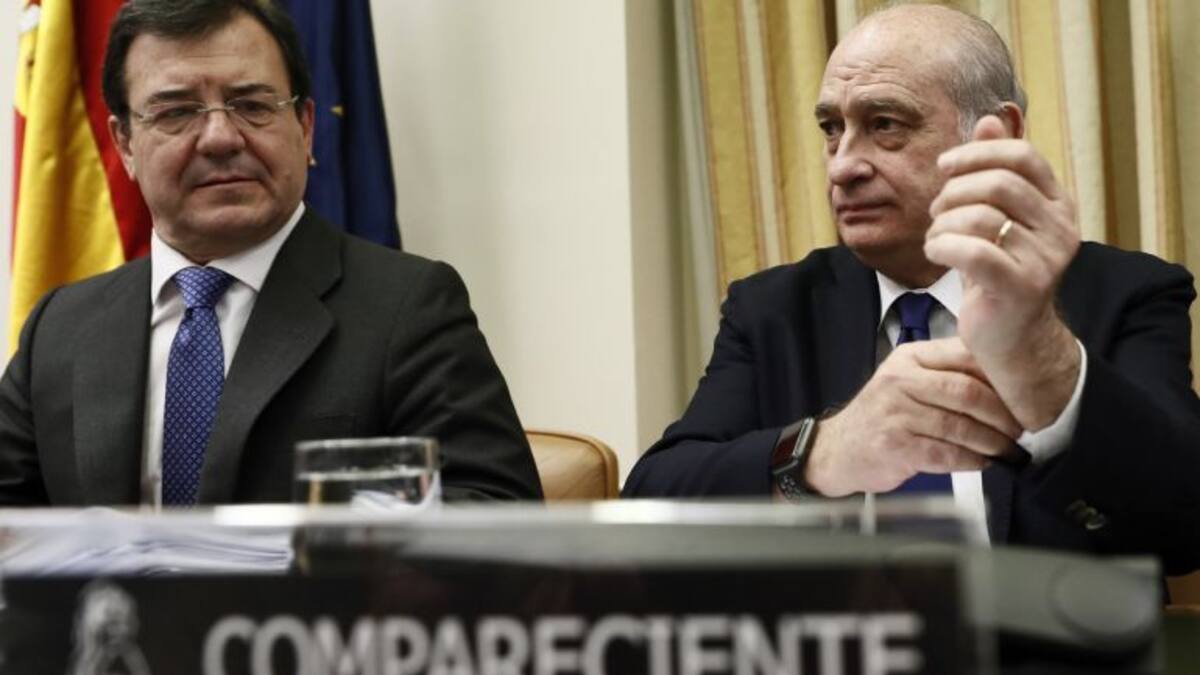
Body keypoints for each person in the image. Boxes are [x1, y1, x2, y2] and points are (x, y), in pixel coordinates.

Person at [624, 4, 1200, 574]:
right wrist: (823, 452)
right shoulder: (774, 309)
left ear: (995, 136)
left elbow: (1183, 528)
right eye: (832, 129)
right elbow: (650, 507)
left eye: (885, 124)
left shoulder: (1127, 293)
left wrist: (1042, 357)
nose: (842, 166)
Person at [0, 0, 542, 505]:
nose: (220, 137)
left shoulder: (409, 308)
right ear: (125, 144)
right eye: (177, 112)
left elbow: (496, 517)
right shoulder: (61, 327)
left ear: (305, 128)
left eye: (252, 106)